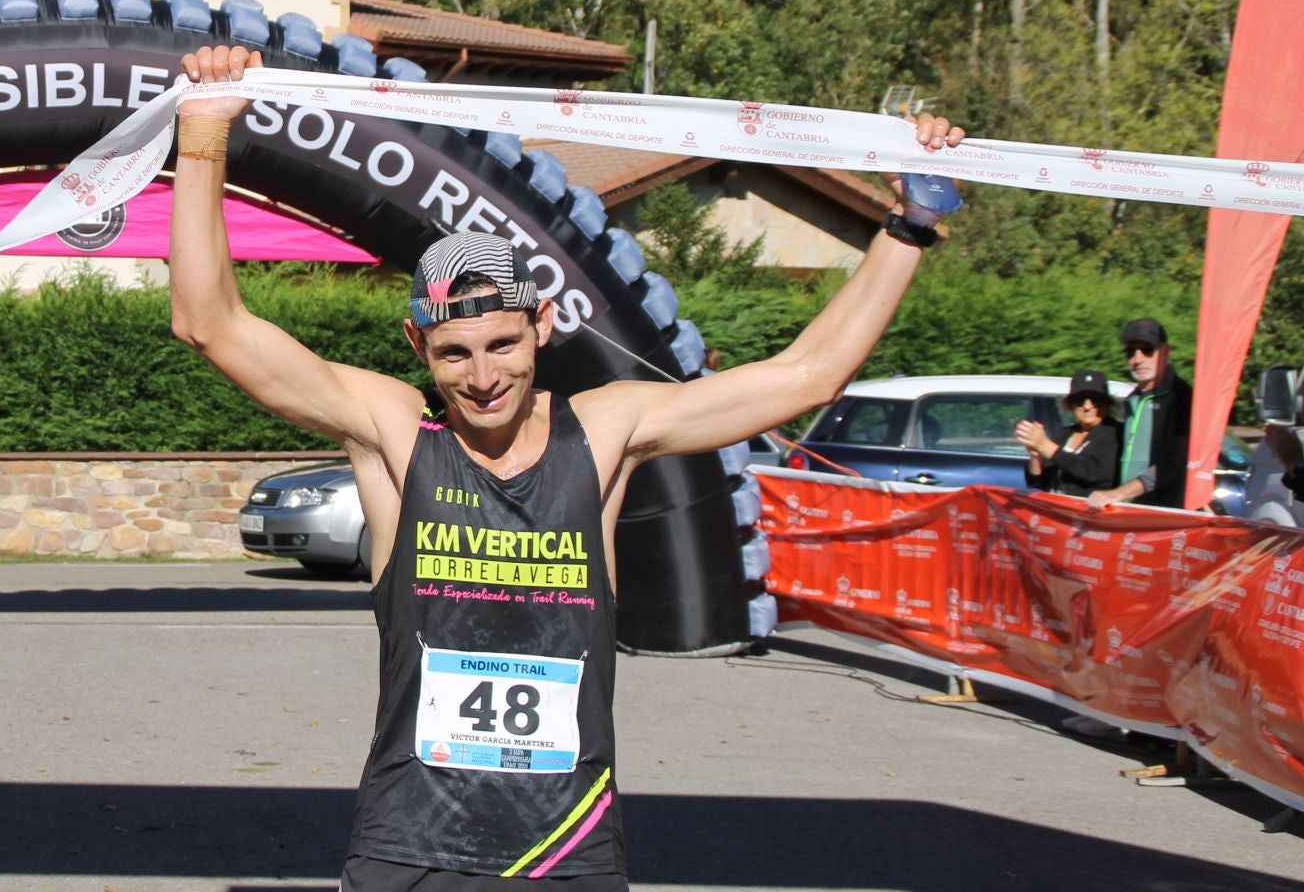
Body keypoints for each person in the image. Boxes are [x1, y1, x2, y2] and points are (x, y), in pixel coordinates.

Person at [167, 45, 966, 890]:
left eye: (504, 344)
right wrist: (205, 134)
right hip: (409, 846)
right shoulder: (397, 437)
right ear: (418, 346)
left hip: (564, 850)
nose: (482, 378)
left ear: (543, 323)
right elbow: (208, 322)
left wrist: (910, 227)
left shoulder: (607, 429)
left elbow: (807, 376)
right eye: (455, 354)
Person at [1087, 319, 1194, 510]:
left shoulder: (1182, 396)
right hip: (1127, 509)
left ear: (1165, 351)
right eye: (1130, 352)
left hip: (1164, 512)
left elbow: (1174, 462)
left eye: (1147, 349)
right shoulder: (1131, 400)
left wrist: (1119, 493)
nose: (1137, 359)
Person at [1013, 370, 1119, 497]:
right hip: (1055, 510)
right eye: (1079, 400)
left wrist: (1046, 446)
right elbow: (1035, 482)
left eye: (1095, 399)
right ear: (1070, 404)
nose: (1087, 406)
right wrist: (1036, 456)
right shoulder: (1063, 434)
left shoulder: (1114, 432)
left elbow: (1094, 472)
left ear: (1107, 403)